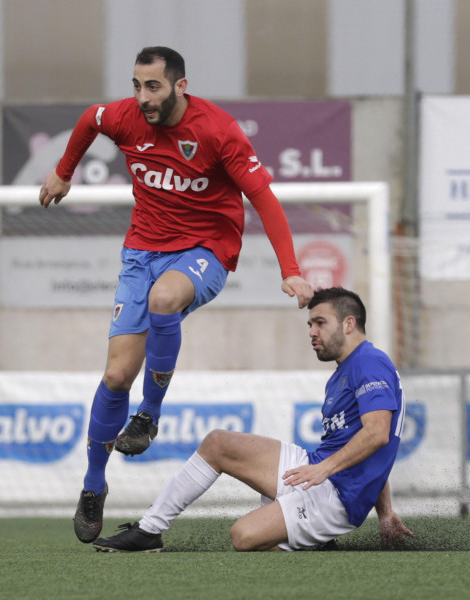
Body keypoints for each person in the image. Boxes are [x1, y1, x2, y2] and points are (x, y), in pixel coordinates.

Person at [38, 46, 313, 543]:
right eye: (137, 85)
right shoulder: (123, 117)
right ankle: (93, 484)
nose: (143, 97)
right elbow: (88, 120)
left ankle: (150, 415)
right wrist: (64, 170)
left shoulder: (218, 131)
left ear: (180, 86)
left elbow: (264, 199)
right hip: (141, 252)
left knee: (166, 299)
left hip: (206, 249)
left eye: (154, 87)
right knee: (116, 374)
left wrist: (290, 270)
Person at [92, 287, 414, 552]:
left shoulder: (370, 363)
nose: (312, 332)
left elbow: (377, 435)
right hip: (319, 468)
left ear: (348, 324)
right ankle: (150, 530)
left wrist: (325, 470)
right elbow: (368, 445)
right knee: (218, 443)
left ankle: (313, 541)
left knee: (243, 537)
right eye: (309, 325)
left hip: (338, 496)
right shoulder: (345, 372)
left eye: (320, 323)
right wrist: (385, 513)